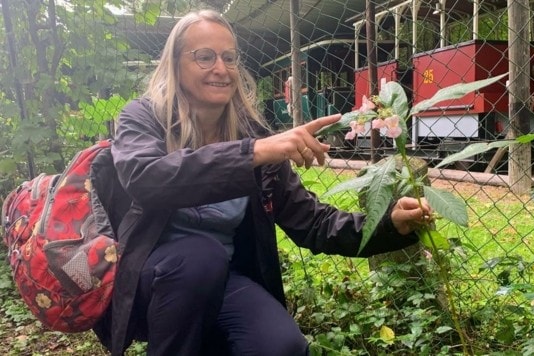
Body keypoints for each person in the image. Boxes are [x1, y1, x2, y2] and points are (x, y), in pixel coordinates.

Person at [93, 9, 433, 356]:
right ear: (175, 64)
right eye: (205, 57)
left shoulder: (252, 136)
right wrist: (251, 152)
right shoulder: (144, 117)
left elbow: (313, 221)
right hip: (153, 282)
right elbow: (146, 178)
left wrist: (389, 224)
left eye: (229, 58)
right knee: (200, 256)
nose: (221, 69)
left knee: (281, 346)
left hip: (222, 280)